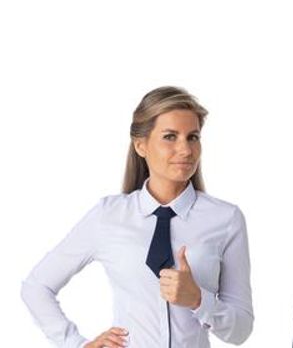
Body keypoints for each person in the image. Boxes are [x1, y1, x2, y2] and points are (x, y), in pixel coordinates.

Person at [22, 86, 255, 347]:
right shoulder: (108, 216)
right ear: (140, 145)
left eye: (192, 137)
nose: (186, 150)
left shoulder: (226, 219)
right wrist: (76, 344)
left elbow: (241, 331)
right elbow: (36, 287)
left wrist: (199, 300)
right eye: (170, 136)